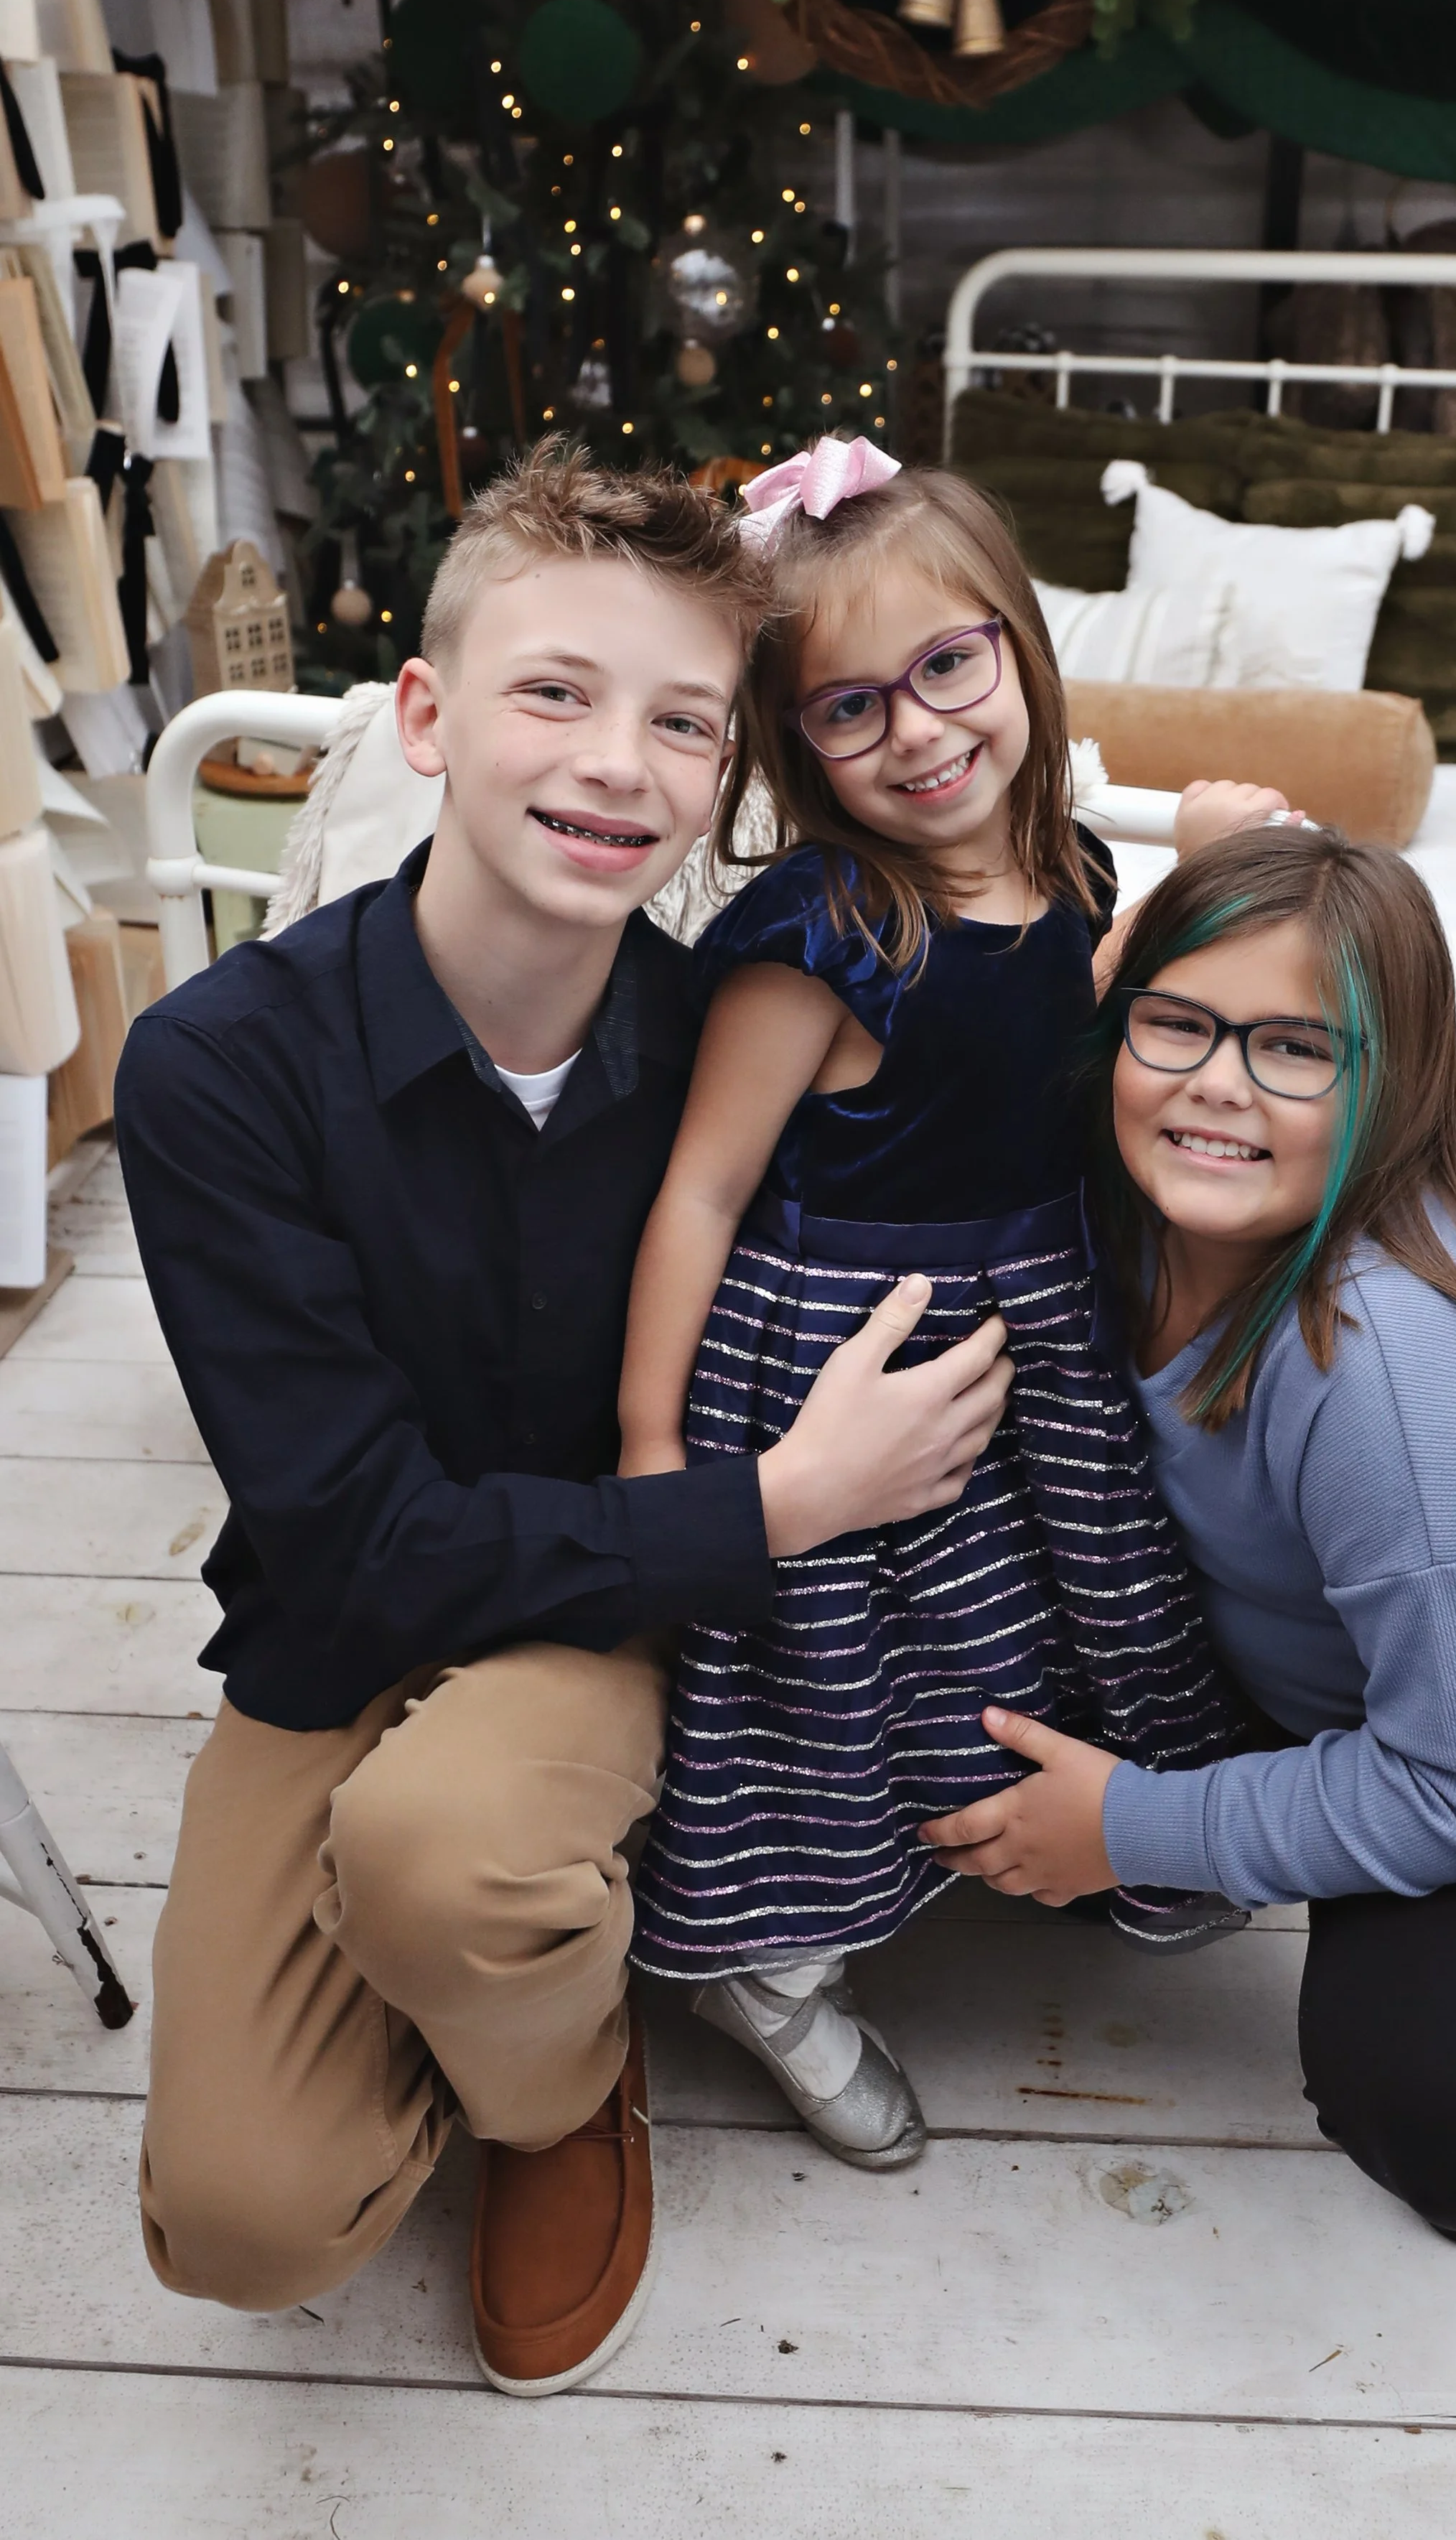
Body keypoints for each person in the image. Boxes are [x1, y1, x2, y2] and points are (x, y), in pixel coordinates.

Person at [113, 445, 1014, 2398]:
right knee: (244, 2215)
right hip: (350, 1613)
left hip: (598, 1616)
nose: (619, 762)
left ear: (726, 773)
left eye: (683, 720)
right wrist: (770, 1505)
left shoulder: (735, 1030)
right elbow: (350, 1540)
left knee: (448, 1856)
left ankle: (554, 2086)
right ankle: (466, 1986)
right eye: (555, 692)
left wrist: (1228, 883)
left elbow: (1027, 1040)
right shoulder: (220, 1066)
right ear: (425, 715)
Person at [920, 825, 1456, 2248]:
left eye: (1296, 1049)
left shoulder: (1397, 1382)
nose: (1216, 1084)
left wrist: (1133, 1827)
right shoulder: (1120, 1192)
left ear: (1393, 1083)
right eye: (1175, 1026)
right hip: (1305, 1654)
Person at [616, 437, 1255, 2171]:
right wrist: (656, 1443)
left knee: (1080, 1587)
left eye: (948, 669)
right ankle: (778, 1958)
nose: (915, 731)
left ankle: (1092, 1836)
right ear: (788, 742)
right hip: (849, 1344)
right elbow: (699, 1190)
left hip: (1028, 1312)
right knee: (853, 1663)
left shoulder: (1073, 872)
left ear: (1019, 656)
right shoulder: (820, 930)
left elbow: (1075, 1036)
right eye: (846, 708)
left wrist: (1198, 862)